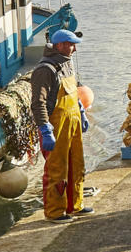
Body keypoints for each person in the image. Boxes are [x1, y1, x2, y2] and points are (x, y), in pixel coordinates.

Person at [31, 28, 93, 220]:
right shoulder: (45, 70)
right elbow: (38, 102)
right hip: (55, 126)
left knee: (76, 164)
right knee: (57, 169)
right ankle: (55, 212)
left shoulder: (67, 64)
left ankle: (75, 205)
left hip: (72, 121)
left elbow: (73, 91)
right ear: (59, 46)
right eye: (70, 44)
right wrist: (44, 128)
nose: (74, 48)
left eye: (74, 44)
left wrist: (81, 112)